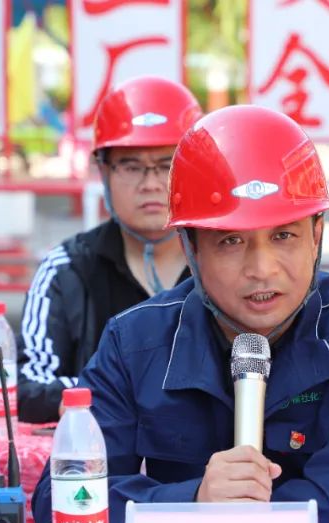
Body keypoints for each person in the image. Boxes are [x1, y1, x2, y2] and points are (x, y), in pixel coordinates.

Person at [32, 105, 329, 523]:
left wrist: (232, 505)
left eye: (284, 235)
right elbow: (60, 502)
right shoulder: (134, 341)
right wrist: (194, 499)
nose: (262, 269)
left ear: (317, 235)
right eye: (230, 241)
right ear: (190, 248)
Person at [17, 76, 202, 422]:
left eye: (167, 166)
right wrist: (129, 388)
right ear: (103, 171)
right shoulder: (66, 269)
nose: (150, 183)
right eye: (131, 166)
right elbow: (25, 386)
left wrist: (100, 389)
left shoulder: (222, 264)